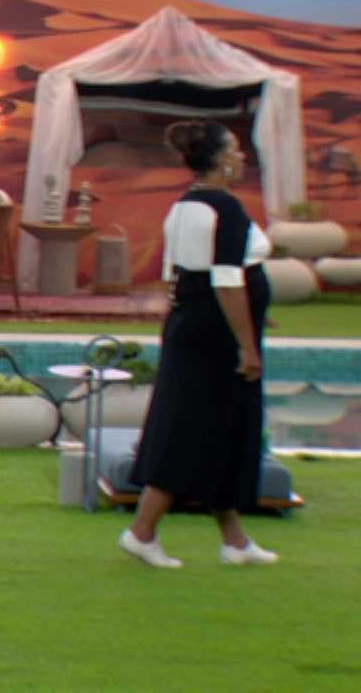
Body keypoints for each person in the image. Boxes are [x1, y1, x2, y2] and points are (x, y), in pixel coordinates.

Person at [119, 121, 279, 570]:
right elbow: (225, 280)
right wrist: (247, 345)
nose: (242, 158)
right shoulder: (225, 208)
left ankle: (235, 540)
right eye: (236, 151)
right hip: (216, 335)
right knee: (192, 429)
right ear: (221, 160)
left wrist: (255, 313)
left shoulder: (184, 206)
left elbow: (179, 275)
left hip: (194, 326)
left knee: (224, 427)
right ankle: (142, 531)